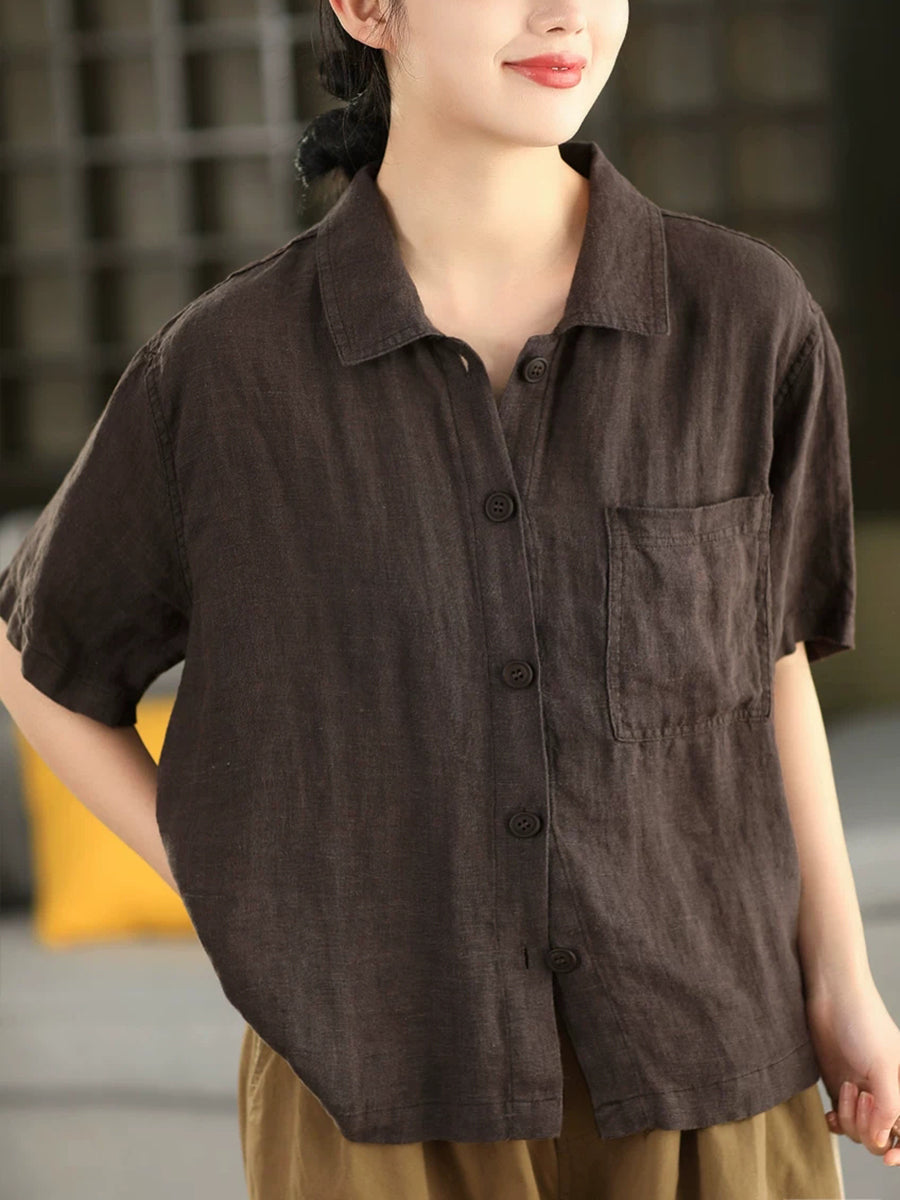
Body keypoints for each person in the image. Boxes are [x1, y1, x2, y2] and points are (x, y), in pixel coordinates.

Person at [0, 1, 898, 1198]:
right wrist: (242, 885)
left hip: (713, 1066)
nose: (564, 12)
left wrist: (845, 983)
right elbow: (37, 657)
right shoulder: (223, 373)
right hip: (376, 1092)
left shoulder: (748, 321)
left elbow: (765, 666)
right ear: (369, 7)